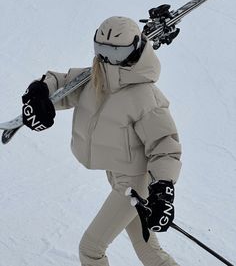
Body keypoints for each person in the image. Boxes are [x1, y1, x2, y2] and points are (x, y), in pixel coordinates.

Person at [22, 16, 182, 266]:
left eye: (117, 53)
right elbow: (62, 82)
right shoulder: (96, 77)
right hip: (120, 176)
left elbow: (165, 146)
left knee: (91, 249)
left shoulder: (144, 96)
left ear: (135, 50)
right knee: (148, 251)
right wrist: (39, 92)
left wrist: (163, 189)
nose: (108, 59)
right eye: (102, 50)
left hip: (135, 185)